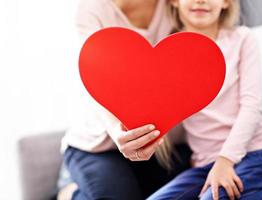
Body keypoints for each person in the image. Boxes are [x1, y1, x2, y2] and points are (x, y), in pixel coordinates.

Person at [145, 0, 262, 200]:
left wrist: (225, 161)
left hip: (256, 152)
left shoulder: (242, 39)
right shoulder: (168, 51)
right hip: (205, 163)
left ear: (226, 2)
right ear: (174, 1)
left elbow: (251, 107)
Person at [61, 0, 193, 199]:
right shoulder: (93, 10)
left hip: (165, 146)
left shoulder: (180, 3)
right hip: (101, 145)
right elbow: (95, 80)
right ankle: (68, 192)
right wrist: (117, 131)